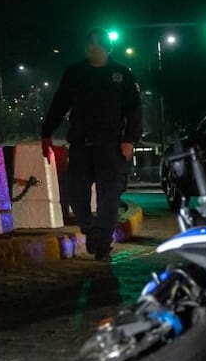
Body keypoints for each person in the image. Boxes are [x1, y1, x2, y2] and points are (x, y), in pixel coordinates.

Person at [41, 28, 143, 261]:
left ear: (108, 48)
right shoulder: (74, 73)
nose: (93, 48)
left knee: (110, 197)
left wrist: (129, 139)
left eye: (98, 44)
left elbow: (134, 110)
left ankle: (102, 243)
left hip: (111, 146)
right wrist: (46, 132)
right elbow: (59, 104)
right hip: (80, 144)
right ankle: (91, 231)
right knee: (76, 194)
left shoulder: (122, 74)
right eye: (90, 43)